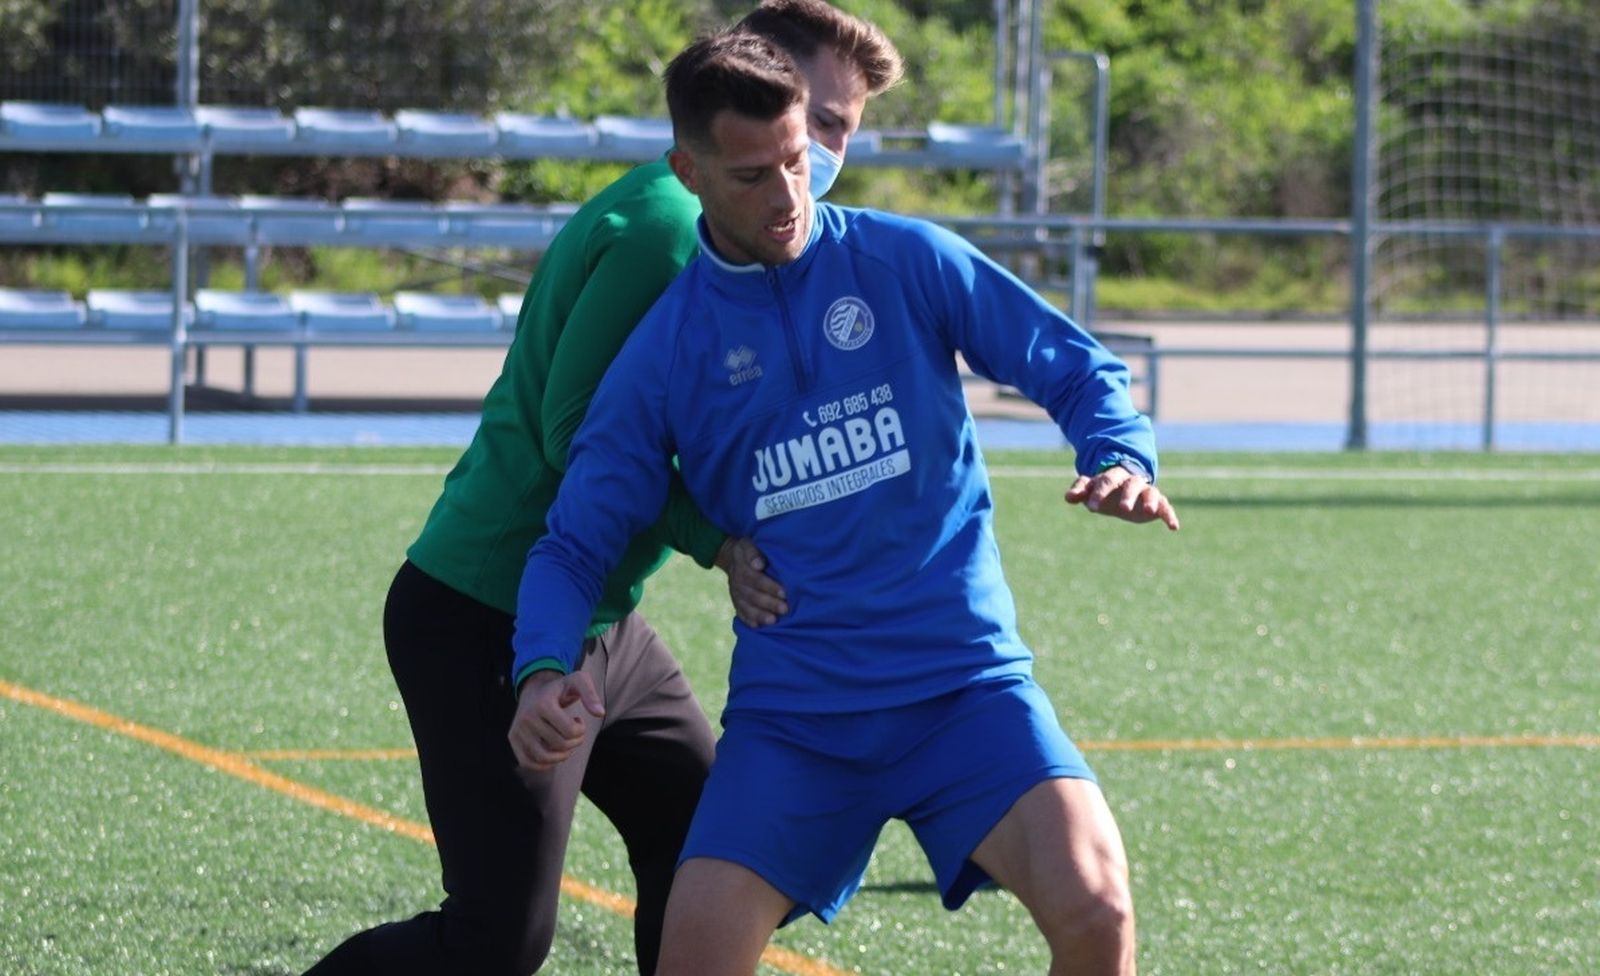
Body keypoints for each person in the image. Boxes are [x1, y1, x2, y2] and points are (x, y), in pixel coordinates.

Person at [508, 30, 1179, 976]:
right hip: (798, 719)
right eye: (752, 176)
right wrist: (541, 670)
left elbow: (1075, 367)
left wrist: (1119, 453)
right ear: (687, 170)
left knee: (1099, 908)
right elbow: (573, 546)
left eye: (797, 159)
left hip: (965, 687)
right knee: (689, 956)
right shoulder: (664, 353)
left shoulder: (905, 259)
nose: (787, 197)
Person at [301, 4, 904, 975]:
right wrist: (718, 541)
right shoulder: (668, 232)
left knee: (719, 852)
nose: (826, 153)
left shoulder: (755, 230)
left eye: (837, 134)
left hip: (606, 622)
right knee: (496, 939)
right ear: (750, 82)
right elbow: (573, 433)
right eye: (823, 121)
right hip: (488, 612)